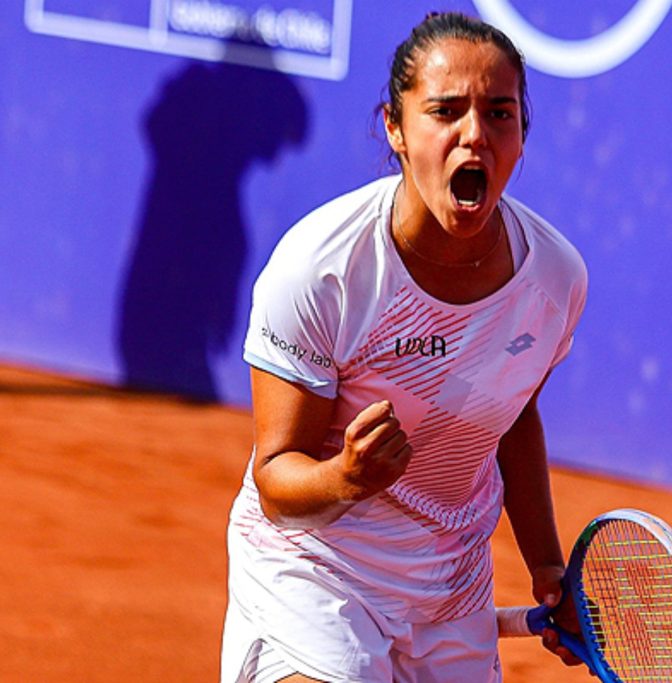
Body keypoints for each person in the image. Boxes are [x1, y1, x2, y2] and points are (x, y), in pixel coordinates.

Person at [220, 11, 587, 682]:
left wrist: (548, 573)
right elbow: (277, 479)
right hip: (316, 567)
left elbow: (513, 420)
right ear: (395, 126)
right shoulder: (323, 268)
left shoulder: (555, 279)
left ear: (522, 136)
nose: (473, 133)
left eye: (499, 113)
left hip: (450, 581)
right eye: (445, 111)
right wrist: (347, 476)